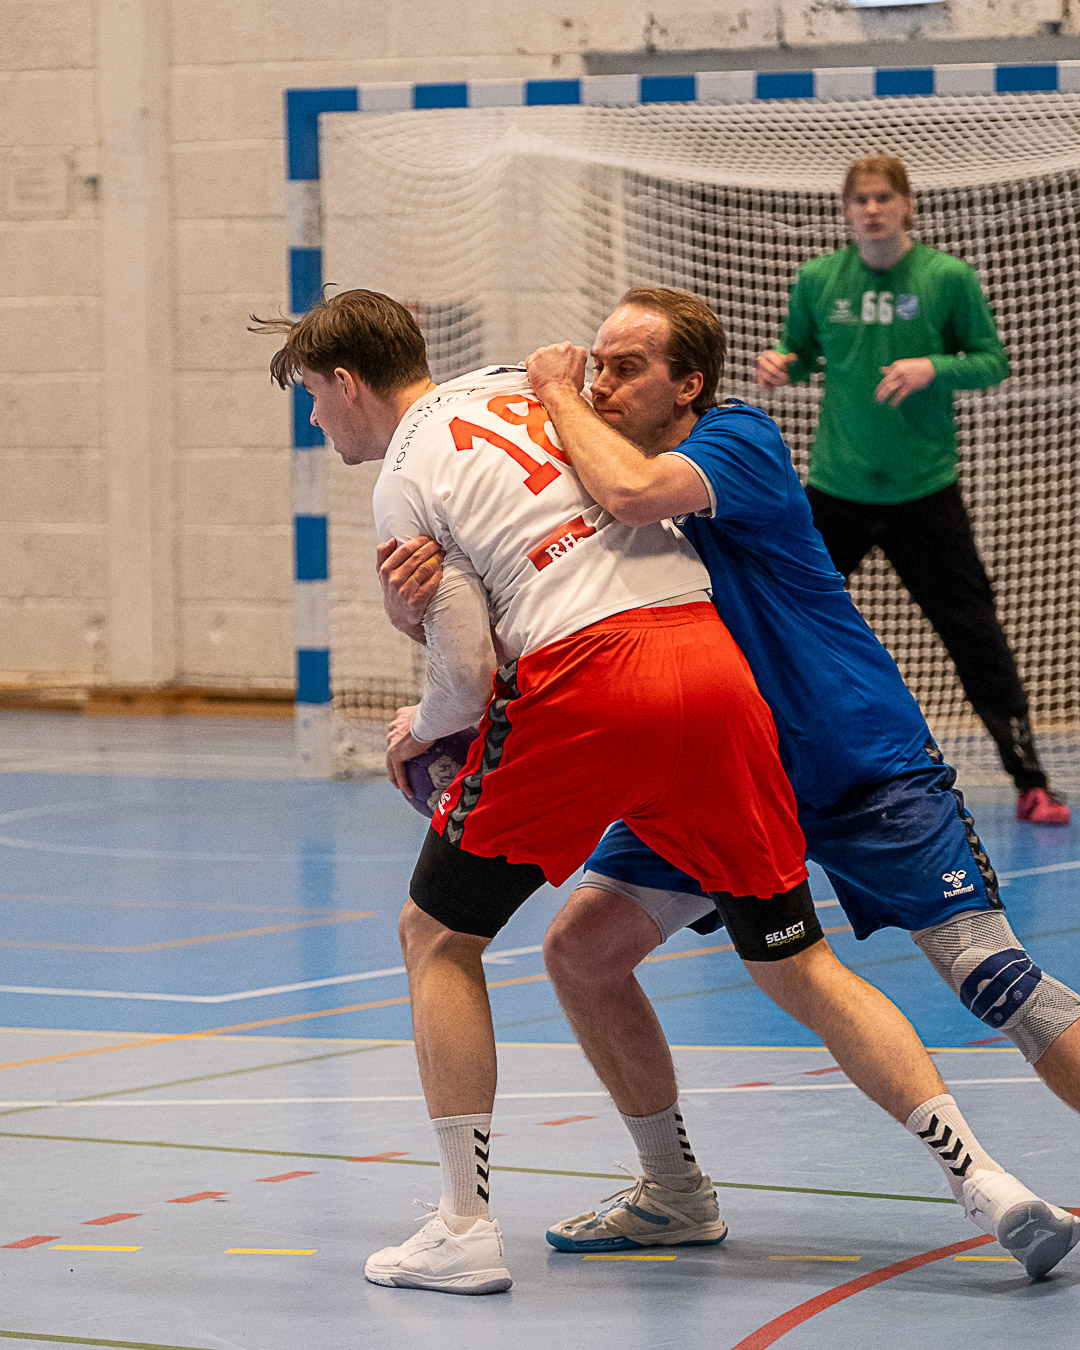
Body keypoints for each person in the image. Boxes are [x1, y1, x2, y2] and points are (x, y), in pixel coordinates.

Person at [371, 289, 1080, 1285]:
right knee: (582, 951)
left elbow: (630, 490)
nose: (601, 384)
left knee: (990, 977)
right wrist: (417, 601)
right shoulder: (587, 467)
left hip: (856, 766)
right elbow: (526, 603)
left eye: (626, 368)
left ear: (689, 385)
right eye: (596, 365)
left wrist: (553, 388)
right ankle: (673, 1189)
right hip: (722, 760)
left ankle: (986, 1181)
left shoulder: (732, 441)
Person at [255, 289, 822, 1295]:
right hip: (714, 670)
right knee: (780, 957)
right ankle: (973, 1180)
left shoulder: (406, 472)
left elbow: (470, 674)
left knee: (437, 936)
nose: (313, 417)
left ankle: (463, 1226)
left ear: (348, 383)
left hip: (587, 687)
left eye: (312, 394)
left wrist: (419, 725)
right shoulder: (526, 390)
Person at [756, 154, 1068, 827]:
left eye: (883, 198)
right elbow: (801, 353)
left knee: (974, 633)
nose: (871, 209)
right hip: (836, 487)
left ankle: (1031, 781)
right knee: (782, 623)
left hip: (924, 490)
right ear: (845, 210)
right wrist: (782, 364)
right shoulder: (818, 279)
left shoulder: (946, 277)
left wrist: (935, 366)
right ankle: (762, 768)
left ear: (907, 206)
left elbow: (992, 362)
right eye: (860, 199)